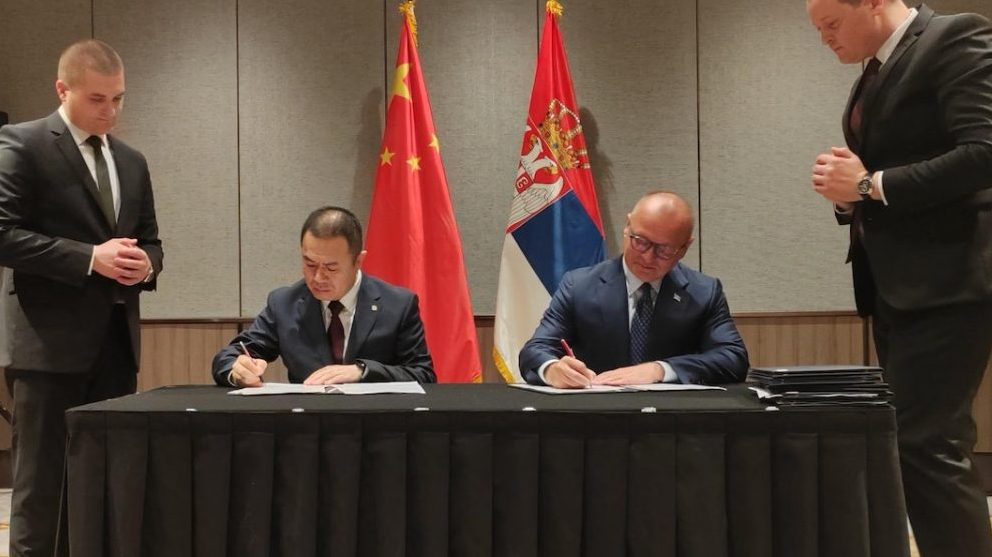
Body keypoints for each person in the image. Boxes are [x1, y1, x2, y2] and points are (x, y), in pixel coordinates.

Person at [807, 1, 992, 554]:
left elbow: (984, 152)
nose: (824, 39)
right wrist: (851, 197)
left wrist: (870, 185)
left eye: (831, 24)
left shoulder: (955, 37)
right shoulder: (876, 70)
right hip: (897, 290)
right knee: (915, 447)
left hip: (949, 283)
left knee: (928, 446)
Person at [0, 40, 163, 557]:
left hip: (116, 346)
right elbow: (3, 234)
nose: (110, 112)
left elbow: (151, 240)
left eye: (118, 99)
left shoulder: (132, 161)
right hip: (48, 350)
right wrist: (90, 258)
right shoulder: (22, 143)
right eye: (97, 99)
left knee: (107, 487)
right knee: (42, 490)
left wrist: (147, 265)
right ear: (62, 89)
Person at [519, 191, 748, 388]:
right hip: (596, 415)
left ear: (685, 246)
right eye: (640, 241)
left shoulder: (704, 292)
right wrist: (551, 369)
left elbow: (733, 358)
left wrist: (660, 369)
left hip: (672, 418)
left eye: (664, 250)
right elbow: (535, 350)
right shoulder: (579, 286)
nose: (648, 257)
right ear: (628, 225)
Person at [213, 206, 435, 386]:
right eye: (310, 264)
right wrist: (237, 370)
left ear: (358, 261)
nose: (318, 277)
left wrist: (362, 371)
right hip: (307, 424)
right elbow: (229, 356)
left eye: (331, 267)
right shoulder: (284, 304)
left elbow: (423, 374)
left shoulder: (398, 305)